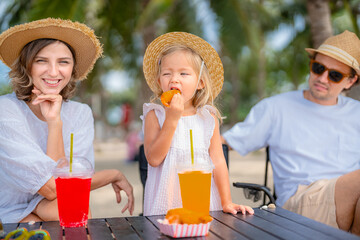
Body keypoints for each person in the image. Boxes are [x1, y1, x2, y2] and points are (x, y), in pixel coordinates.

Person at [223, 30, 360, 234]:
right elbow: (223, 143)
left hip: (351, 197)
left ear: (350, 81)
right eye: (318, 68)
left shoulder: (356, 112)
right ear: (311, 65)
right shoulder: (275, 108)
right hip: (299, 204)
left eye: (335, 75)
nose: (322, 78)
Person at [0, 18, 134, 223]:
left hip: (53, 209)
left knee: (73, 209)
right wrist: (112, 175)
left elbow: (68, 190)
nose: (54, 72)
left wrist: (55, 123)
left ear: (72, 68)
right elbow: (53, 188)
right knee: (67, 212)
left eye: (63, 62)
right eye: (41, 60)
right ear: (27, 66)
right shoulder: (5, 110)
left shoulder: (80, 113)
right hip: (9, 211)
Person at [141, 32, 254, 216]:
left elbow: (218, 161)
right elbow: (153, 159)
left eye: (183, 73)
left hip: (205, 204)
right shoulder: (155, 115)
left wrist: (227, 202)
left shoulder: (208, 117)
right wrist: (171, 119)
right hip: (166, 207)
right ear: (159, 81)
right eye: (167, 73)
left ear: (200, 82)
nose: (174, 79)